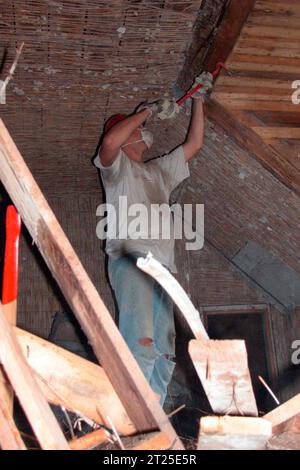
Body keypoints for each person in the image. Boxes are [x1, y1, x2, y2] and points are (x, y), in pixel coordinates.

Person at [94, 72, 213, 406]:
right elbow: (108, 144)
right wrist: (146, 110)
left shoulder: (160, 170)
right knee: (141, 343)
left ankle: (155, 424)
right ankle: (133, 418)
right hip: (131, 260)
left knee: (164, 351)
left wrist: (199, 99)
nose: (144, 133)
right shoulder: (115, 167)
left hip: (161, 267)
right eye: (137, 130)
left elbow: (194, 145)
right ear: (126, 136)